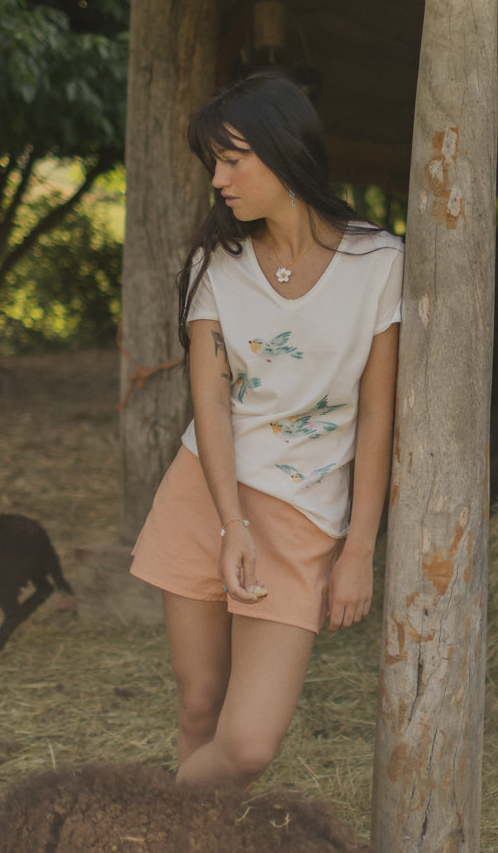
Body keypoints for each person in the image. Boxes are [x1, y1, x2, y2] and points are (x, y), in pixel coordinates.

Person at [130, 71, 403, 786]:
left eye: (232, 159)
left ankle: (147, 831)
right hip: (205, 495)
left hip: (304, 517)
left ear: (283, 153)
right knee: (198, 707)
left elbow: (378, 412)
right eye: (212, 163)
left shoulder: (379, 264)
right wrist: (231, 523)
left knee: (248, 744)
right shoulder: (215, 264)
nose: (218, 179)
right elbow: (211, 403)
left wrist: (359, 548)